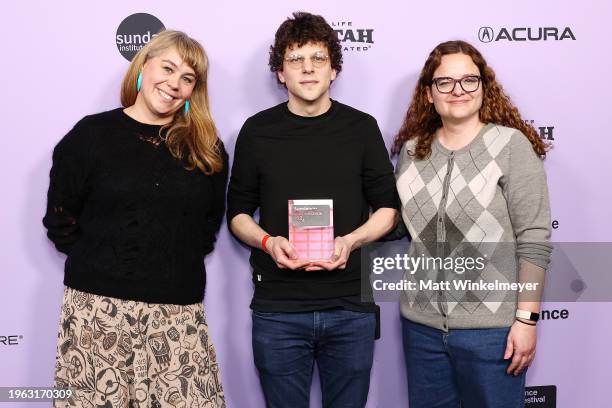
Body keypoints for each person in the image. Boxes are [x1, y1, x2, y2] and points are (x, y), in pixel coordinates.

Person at [43, 30, 227, 408]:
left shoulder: (206, 148)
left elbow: (207, 227)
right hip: (96, 316)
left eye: (187, 78)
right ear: (143, 65)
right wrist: (104, 263)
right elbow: (60, 218)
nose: (174, 84)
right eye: (168, 68)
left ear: (195, 90)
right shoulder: (91, 135)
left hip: (178, 316)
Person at [227, 11, 399, 408]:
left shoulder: (361, 128)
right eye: (295, 60)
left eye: (318, 58)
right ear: (280, 73)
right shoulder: (256, 131)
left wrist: (352, 240)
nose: (307, 69)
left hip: (350, 309)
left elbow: (388, 209)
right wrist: (269, 243)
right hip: (278, 311)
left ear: (334, 69)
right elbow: (237, 214)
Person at [391, 40, 552, 408]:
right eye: (445, 82)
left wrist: (526, 320)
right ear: (429, 93)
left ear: (484, 86)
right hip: (421, 328)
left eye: (469, 80)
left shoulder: (510, 146)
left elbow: (534, 238)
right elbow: (401, 226)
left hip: (492, 331)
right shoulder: (413, 152)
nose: (458, 90)